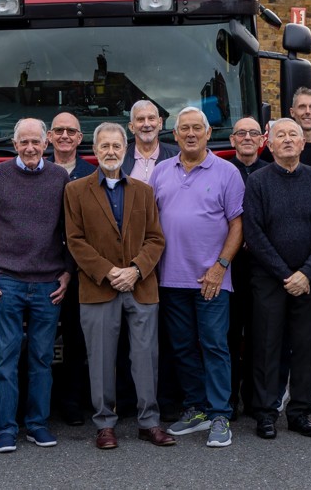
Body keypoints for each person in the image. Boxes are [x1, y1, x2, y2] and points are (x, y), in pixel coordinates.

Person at [64, 122, 174, 449]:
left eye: (116, 146)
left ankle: (149, 422)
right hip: (98, 286)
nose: (110, 152)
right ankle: (104, 424)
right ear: (94, 150)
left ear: (125, 151)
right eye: (104, 146)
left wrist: (136, 270)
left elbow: (156, 238)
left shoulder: (144, 191)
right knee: (100, 359)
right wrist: (109, 271)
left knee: (145, 357)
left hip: (140, 286)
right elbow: (75, 240)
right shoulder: (75, 191)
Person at [0, 118, 72, 453]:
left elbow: (71, 231)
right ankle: (7, 427)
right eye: (23, 142)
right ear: (14, 145)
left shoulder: (59, 177)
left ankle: (38, 424)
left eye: (35, 142)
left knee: (42, 359)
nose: (30, 148)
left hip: (48, 284)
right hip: (7, 283)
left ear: (46, 143)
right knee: (5, 359)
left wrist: (68, 272)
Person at [151, 107, 245, 448]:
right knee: (182, 347)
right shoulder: (161, 171)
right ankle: (197, 408)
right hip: (170, 278)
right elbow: (150, 221)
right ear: (175, 135)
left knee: (214, 345)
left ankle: (220, 414)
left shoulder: (227, 172)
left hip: (211, 280)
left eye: (197, 128)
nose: (190, 134)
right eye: (184, 129)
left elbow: (237, 225)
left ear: (208, 134)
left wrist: (220, 267)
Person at [243, 118, 311, 440]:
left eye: (292, 135)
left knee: (306, 347)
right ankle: (266, 413)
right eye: (280, 135)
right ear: (269, 145)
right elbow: (253, 233)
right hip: (269, 279)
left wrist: (306, 272)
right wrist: (286, 274)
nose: (286, 139)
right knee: (267, 346)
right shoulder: (258, 181)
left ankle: (299, 412)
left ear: (302, 143)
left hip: (309, 279)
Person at [47, 111, 96, 425]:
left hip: (80, 271)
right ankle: (38, 401)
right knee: (40, 339)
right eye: (59, 130)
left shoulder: (92, 174)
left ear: (80, 138)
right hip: (44, 268)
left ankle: (72, 402)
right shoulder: (38, 170)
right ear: (49, 137)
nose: (64, 136)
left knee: (77, 339)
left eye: (71, 131)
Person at [226, 117, 268, 416]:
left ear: (262, 139)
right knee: (228, 336)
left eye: (254, 133)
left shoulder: (270, 171)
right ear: (233, 140)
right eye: (241, 133)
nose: (248, 138)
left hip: (262, 267)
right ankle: (228, 398)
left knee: (258, 336)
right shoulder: (222, 171)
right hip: (230, 267)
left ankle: (255, 399)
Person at [123, 100, 180, 182]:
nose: (146, 124)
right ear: (132, 127)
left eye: (151, 118)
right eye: (140, 119)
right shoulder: (121, 156)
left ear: (160, 123)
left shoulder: (177, 156)